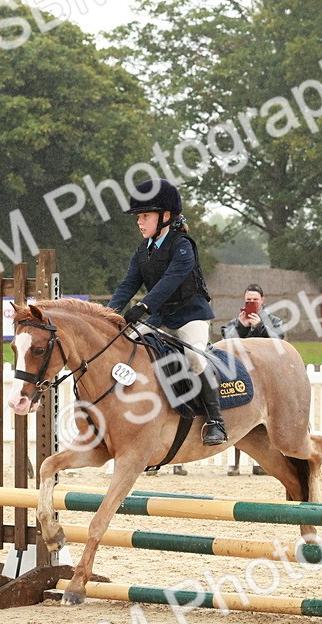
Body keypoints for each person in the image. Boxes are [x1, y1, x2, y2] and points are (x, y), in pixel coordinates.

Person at [107, 180, 227, 470]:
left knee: (196, 357)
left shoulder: (183, 245)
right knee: (129, 349)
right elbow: (127, 285)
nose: (139, 222)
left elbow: (170, 281)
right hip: (161, 320)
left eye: (144, 216)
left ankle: (215, 421)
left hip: (190, 316)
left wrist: (144, 306)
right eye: (138, 217)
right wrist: (109, 313)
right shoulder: (143, 250)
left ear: (165, 216)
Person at [221, 284, 285, 476]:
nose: (251, 303)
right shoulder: (236, 321)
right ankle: (236, 463)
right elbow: (225, 340)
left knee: (267, 420)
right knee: (237, 417)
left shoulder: (273, 320)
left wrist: (259, 327)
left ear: (262, 301)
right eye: (248, 300)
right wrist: (241, 327)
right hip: (242, 375)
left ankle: (262, 462)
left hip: (267, 377)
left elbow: (279, 340)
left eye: (254, 300)